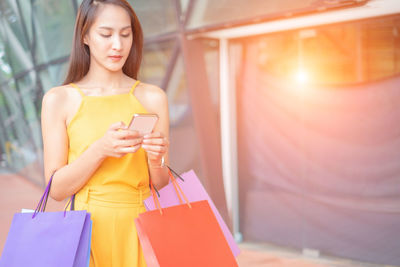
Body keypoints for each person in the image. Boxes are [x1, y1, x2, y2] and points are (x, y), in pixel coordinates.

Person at [40, 0, 170, 266]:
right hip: (86, 227)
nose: (118, 45)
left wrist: (157, 161)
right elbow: (56, 189)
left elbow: (161, 183)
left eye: (125, 34)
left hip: (142, 225)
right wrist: (101, 149)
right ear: (85, 36)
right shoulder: (59, 99)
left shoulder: (152, 97)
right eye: (106, 34)